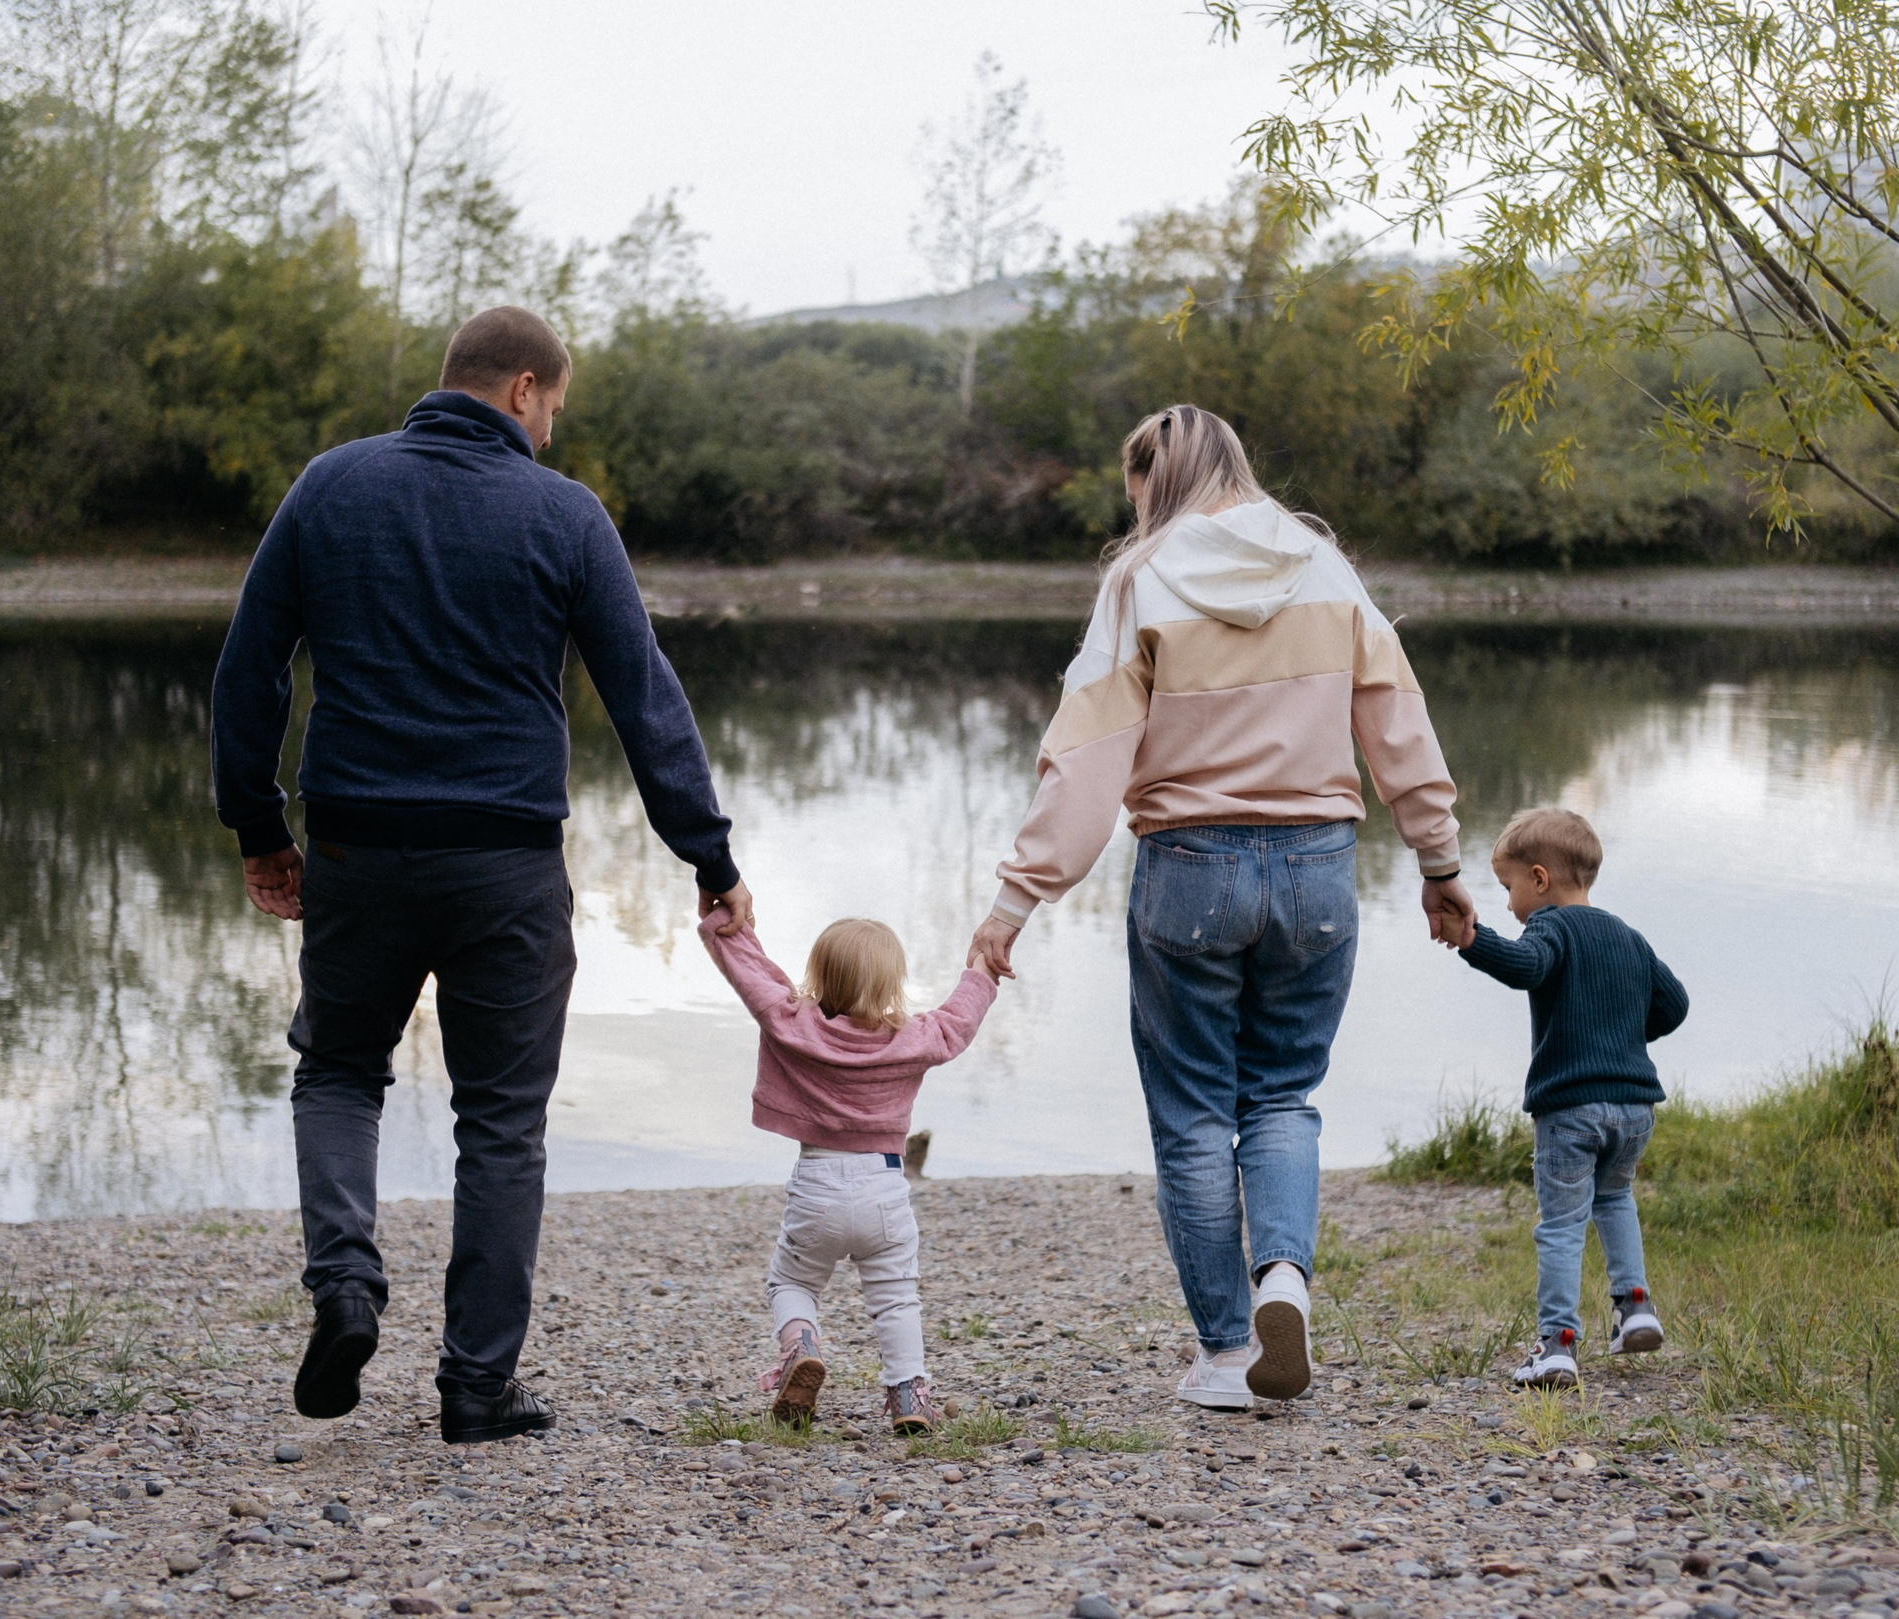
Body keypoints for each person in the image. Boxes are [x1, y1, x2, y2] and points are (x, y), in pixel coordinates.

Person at [210, 306, 752, 1446]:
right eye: (553, 407)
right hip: (505, 861)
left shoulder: (331, 487)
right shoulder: (564, 516)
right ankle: (475, 1384)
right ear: (519, 387)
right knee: (501, 1120)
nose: (552, 431)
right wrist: (708, 856)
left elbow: (250, 669)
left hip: (357, 847)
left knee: (340, 1073)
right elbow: (644, 698)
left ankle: (346, 1285)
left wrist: (259, 825)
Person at [969, 405, 1474, 1412]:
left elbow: (1085, 758)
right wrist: (1438, 858)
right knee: (1282, 1095)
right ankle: (1282, 1275)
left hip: (1190, 864)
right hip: (1320, 864)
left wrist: (1016, 899)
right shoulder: (1324, 568)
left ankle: (1224, 1356)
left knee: (1195, 1113)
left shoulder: (1139, 580)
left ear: (1154, 484)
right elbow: (1397, 720)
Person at [698, 912, 1000, 1434]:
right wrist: (982, 969)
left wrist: (727, 920)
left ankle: (801, 1346)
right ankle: (908, 1393)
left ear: (819, 974)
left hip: (816, 1184)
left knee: (792, 1280)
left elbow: (752, 975)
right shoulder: (913, 1038)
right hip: (884, 1187)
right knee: (896, 1295)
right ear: (891, 984)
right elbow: (959, 1021)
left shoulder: (791, 1022)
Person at [1435, 807, 1688, 1390]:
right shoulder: (1628, 936)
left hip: (1571, 1109)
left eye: (1509, 887)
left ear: (1541, 879)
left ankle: (1557, 1344)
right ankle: (1636, 1308)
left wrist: (1472, 939)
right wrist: (1619, 1034)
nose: (1508, 903)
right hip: (1634, 1108)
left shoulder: (1549, 929)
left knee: (1562, 1224)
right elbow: (1673, 1006)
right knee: (1616, 1198)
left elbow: (1527, 967)